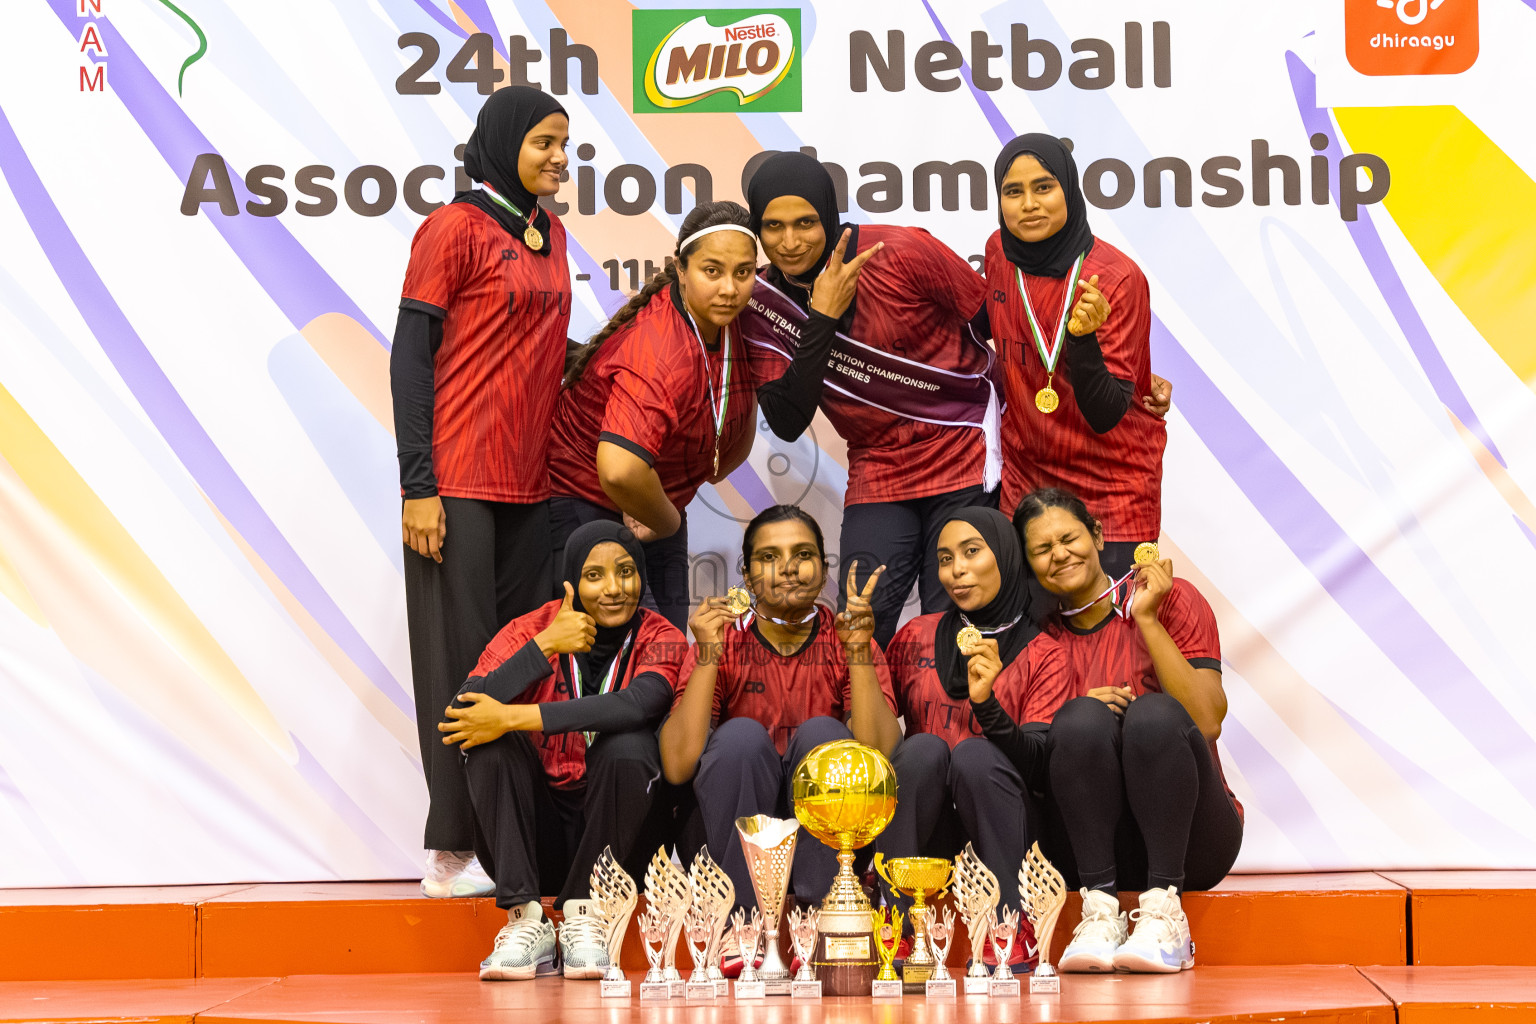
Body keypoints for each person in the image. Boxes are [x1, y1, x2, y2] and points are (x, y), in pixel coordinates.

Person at [391, 86, 572, 898]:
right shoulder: (453, 228)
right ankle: (450, 851)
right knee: (457, 666)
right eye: (543, 142)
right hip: (458, 483)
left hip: (529, 487)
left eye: (565, 144)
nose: (558, 158)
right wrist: (418, 485)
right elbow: (411, 358)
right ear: (504, 144)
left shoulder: (549, 231)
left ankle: (512, 844)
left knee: (521, 667)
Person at [739, 152, 1001, 648]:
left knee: (954, 623)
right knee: (860, 622)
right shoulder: (765, 303)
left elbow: (993, 321)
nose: (790, 242)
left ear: (829, 215)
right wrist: (821, 318)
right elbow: (788, 420)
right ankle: (860, 728)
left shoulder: (900, 250)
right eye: (772, 227)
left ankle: (949, 727)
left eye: (805, 223)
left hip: (960, 449)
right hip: (879, 466)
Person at [982, 487, 1242, 974]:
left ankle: (1166, 915)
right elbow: (1031, 770)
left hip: (1193, 842)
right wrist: (1072, 715)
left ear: (1098, 536)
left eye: (1069, 538)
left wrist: (1146, 619)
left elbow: (1207, 721)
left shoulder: (1170, 599)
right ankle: (1099, 913)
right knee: (1081, 719)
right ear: (1030, 565)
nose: (1059, 554)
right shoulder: (1037, 641)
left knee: (1152, 716)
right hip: (1084, 854)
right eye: (1041, 549)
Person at [439, 521, 687, 981]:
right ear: (571, 581)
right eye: (595, 575)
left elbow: (639, 702)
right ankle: (525, 923)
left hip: (620, 845)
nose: (614, 589)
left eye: (627, 572)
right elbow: (461, 713)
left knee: (630, 745)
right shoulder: (533, 628)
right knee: (489, 745)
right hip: (536, 841)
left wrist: (514, 716)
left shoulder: (661, 636)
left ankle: (586, 915)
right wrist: (546, 645)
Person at [659, 505, 900, 920]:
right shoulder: (722, 639)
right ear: (748, 577)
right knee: (739, 738)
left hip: (830, 845)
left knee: (823, 735)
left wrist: (859, 649)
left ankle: (826, 914)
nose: (788, 568)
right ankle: (740, 923)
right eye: (769, 557)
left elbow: (879, 752)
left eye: (802, 555)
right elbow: (678, 765)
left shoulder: (848, 638)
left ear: (823, 571)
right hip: (734, 839)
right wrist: (707, 655)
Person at [547, 202, 760, 631]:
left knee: (664, 651)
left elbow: (730, 424)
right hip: (585, 504)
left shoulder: (732, 317)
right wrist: (668, 519)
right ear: (681, 269)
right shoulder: (661, 348)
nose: (730, 288)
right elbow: (621, 471)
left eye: (743, 272)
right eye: (712, 271)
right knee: (626, 664)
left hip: (656, 502)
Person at [878, 507, 1072, 969]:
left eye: (971, 553)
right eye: (945, 559)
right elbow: (885, 747)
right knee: (922, 749)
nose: (956, 570)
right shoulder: (915, 637)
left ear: (1004, 556)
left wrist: (988, 706)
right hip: (930, 834)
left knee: (974, 756)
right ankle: (900, 923)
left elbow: (1039, 769)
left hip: (1005, 829)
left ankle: (1010, 922)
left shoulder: (1044, 653)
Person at [985, 134, 1171, 581]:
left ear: (1069, 190)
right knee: (1035, 643)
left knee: (1116, 642)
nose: (1029, 204)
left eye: (1044, 187)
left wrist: (1083, 341)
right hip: (1028, 486)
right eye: (1014, 192)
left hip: (1112, 491)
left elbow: (1105, 413)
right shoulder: (998, 252)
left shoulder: (1116, 277)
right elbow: (996, 324)